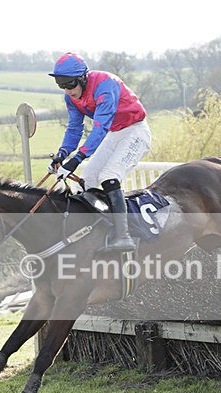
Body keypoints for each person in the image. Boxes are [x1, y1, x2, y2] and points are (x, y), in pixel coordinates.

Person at [47, 52, 151, 251]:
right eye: (62, 86)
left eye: (70, 84)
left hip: (135, 131)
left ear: (83, 78)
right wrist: (62, 154)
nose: (68, 91)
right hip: (114, 133)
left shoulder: (105, 84)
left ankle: (124, 237)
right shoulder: (71, 98)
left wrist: (77, 158)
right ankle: (95, 232)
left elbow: (100, 127)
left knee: (109, 176)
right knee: (88, 180)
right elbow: (74, 128)